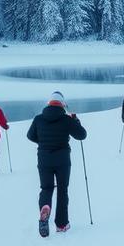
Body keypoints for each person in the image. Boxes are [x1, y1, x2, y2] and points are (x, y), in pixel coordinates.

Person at [26, 91, 87, 237]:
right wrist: (76, 121)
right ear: (62, 105)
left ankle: (45, 207)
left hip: (44, 159)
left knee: (46, 188)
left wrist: (43, 142)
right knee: (62, 190)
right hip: (62, 160)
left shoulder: (38, 119)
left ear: (49, 103)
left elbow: (30, 135)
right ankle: (61, 224)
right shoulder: (66, 120)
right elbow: (82, 135)